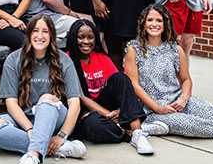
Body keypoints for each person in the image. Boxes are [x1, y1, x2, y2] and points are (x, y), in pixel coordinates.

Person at [124, 4, 213, 139]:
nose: (154, 24)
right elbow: (134, 85)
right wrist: (158, 108)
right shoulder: (134, 50)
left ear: (166, 24)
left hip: (177, 100)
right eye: (150, 20)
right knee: (188, 124)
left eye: (159, 20)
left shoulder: (175, 49)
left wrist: (184, 99)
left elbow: (186, 80)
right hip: (152, 109)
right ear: (143, 23)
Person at [0, 14, 87, 164]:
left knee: (46, 98)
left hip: (56, 119)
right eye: (36, 31)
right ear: (29, 34)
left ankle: (32, 157)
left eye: (45, 31)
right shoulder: (14, 59)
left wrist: (61, 135)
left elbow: (75, 103)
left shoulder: (63, 59)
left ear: (51, 35)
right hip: (26, 121)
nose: (40, 36)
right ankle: (58, 149)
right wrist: (30, 129)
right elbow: (11, 103)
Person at [66, 19, 168, 154]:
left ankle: (137, 133)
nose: (86, 41)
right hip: (84, 110)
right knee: (95, 126)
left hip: (104, 103)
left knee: (121, 77)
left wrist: (120, 111)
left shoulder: (101, 57)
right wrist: (108, 114)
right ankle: (128, 129)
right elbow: (81, 97)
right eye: (81, 37)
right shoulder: (68, 60)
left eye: (90, 37)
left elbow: (121, 86)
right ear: (74, 38)